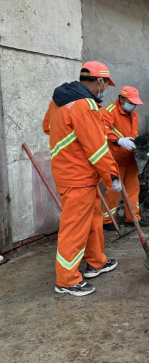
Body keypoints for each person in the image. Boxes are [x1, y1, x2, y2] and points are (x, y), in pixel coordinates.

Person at [42, 61, 121, 297]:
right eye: (105, 83)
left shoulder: (60, 100)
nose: (105, 88)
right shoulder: (85, 106)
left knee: (93, 220)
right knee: (74, 228)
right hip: (78, 176)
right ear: (99, 81)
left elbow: (47, 127)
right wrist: (112, 177)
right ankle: (66, 280)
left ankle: (96, 261)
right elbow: (96, 149)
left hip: (74, 173)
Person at [101, 86, 149, 230]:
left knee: (133, 189)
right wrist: (119, 140)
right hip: (114, 160)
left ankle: (133, 218)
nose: (133, 105)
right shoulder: (109, 112)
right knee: (112, 192)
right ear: (121, 98)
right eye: (130, 101)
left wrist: (144, 149)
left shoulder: (134, 114)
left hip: (131, 159)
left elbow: (133, 136)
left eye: (135, 103)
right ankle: (108, 221)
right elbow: (103, 130)